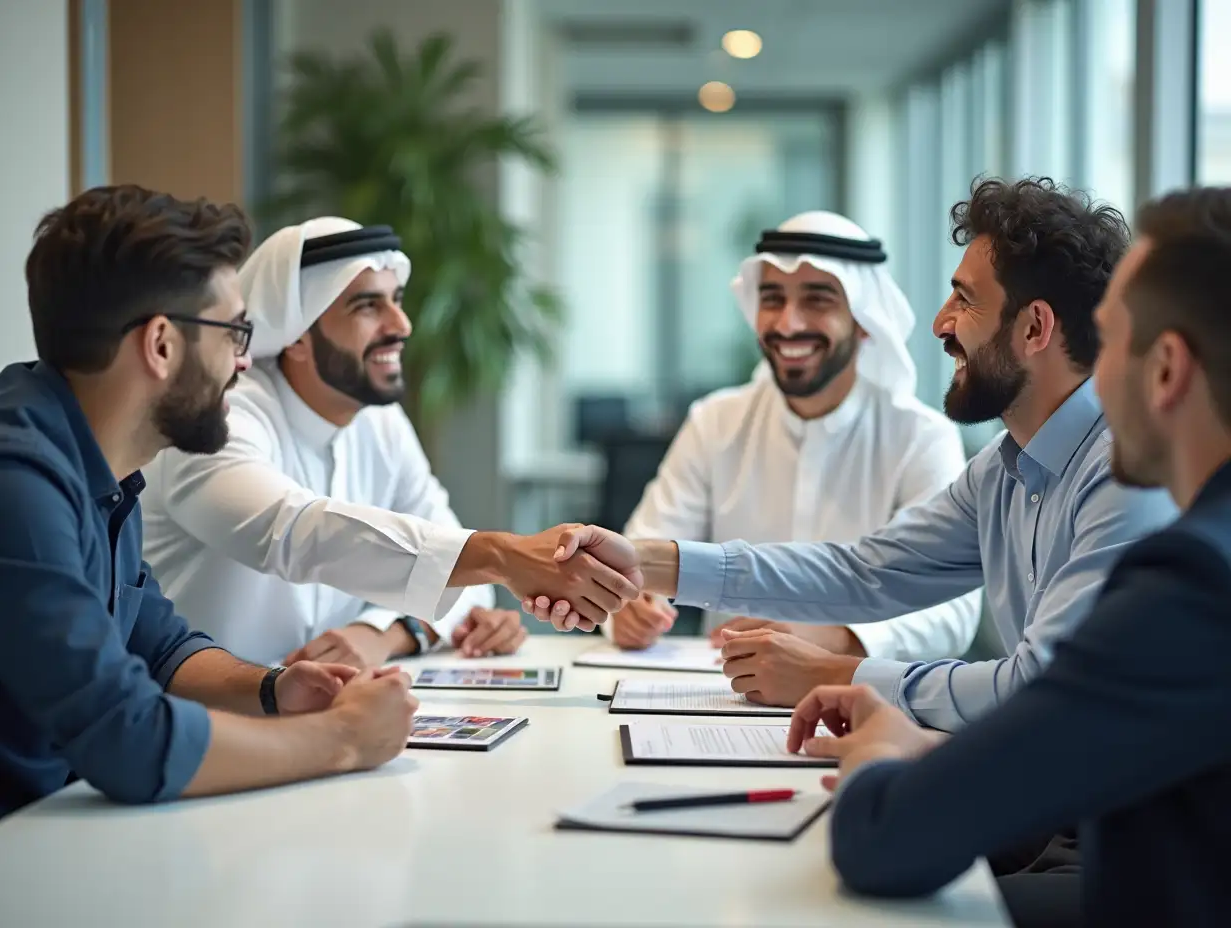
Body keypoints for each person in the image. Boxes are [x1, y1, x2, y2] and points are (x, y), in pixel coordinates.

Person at [0, 186, 634, 819]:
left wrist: (277, 689)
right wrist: (342, 739)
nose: (246, 360)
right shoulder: (21, 482)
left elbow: (159, 646)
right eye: (234, 333)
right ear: (162, 345)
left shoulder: (101, 468)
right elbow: (126, 737)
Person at [527, 177, 1177, 732]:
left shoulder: (1125, 472)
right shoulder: (1004, 468)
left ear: (1034, 327)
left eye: (965, 299)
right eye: (772, 300)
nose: (940, 323)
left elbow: (1040, 687)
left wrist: (837, 671)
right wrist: (643, 562)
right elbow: (865, 570)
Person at [785, 186, 1231, 927]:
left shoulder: (1194, 586)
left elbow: (882, 842)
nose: (1090, 368)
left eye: (1112, 337)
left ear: (1166, 370)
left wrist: (882, 761)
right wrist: (923, 749)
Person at [607, 212, 982, 701]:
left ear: (865, 321)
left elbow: (950, 605)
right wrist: (630, 604)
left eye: (817, 299)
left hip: (866, 705)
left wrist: (837, 641)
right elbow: (643, 550)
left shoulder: (920, 436)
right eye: (772, 300)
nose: (788, 323)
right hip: (718, 700)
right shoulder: (716, 421)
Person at [143, 218, 517, 668]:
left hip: (315, 711)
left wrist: (381, 635)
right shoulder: (220, 416)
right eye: (367, 307)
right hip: (196, 719)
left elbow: (468, 579)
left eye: (396, 301)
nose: (401, 325)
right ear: (296, 335)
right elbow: (293, 532)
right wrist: (504, 556)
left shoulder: (381, 423)